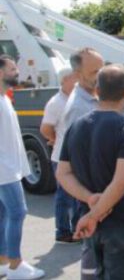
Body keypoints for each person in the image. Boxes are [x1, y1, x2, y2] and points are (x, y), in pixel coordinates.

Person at [60, 49, 124, 280]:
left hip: (90, 216)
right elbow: (121, 182)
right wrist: (95, 214)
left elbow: (63, 173)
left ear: (98, 90)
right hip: (121, 219)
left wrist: (90, 200)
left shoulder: (76, 126)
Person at [0, 55, 45, 279]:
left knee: (4, 215)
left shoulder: (5, 99)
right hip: (4, 171)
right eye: (12, 69)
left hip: (9, 168)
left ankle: (3, 262)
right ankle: (16, 266)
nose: (17, 72)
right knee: (18, 212)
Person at [40, 67, 80, 244]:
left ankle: (78, 227)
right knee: (64, 196)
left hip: (76, 156)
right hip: (61, 158)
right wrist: (56, 139)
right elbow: (46, 128)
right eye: (74, 78)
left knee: (79, 195)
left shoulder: (75, 99)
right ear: (64, 80)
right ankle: (63, 231)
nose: (78, 82)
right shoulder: (56, 102)